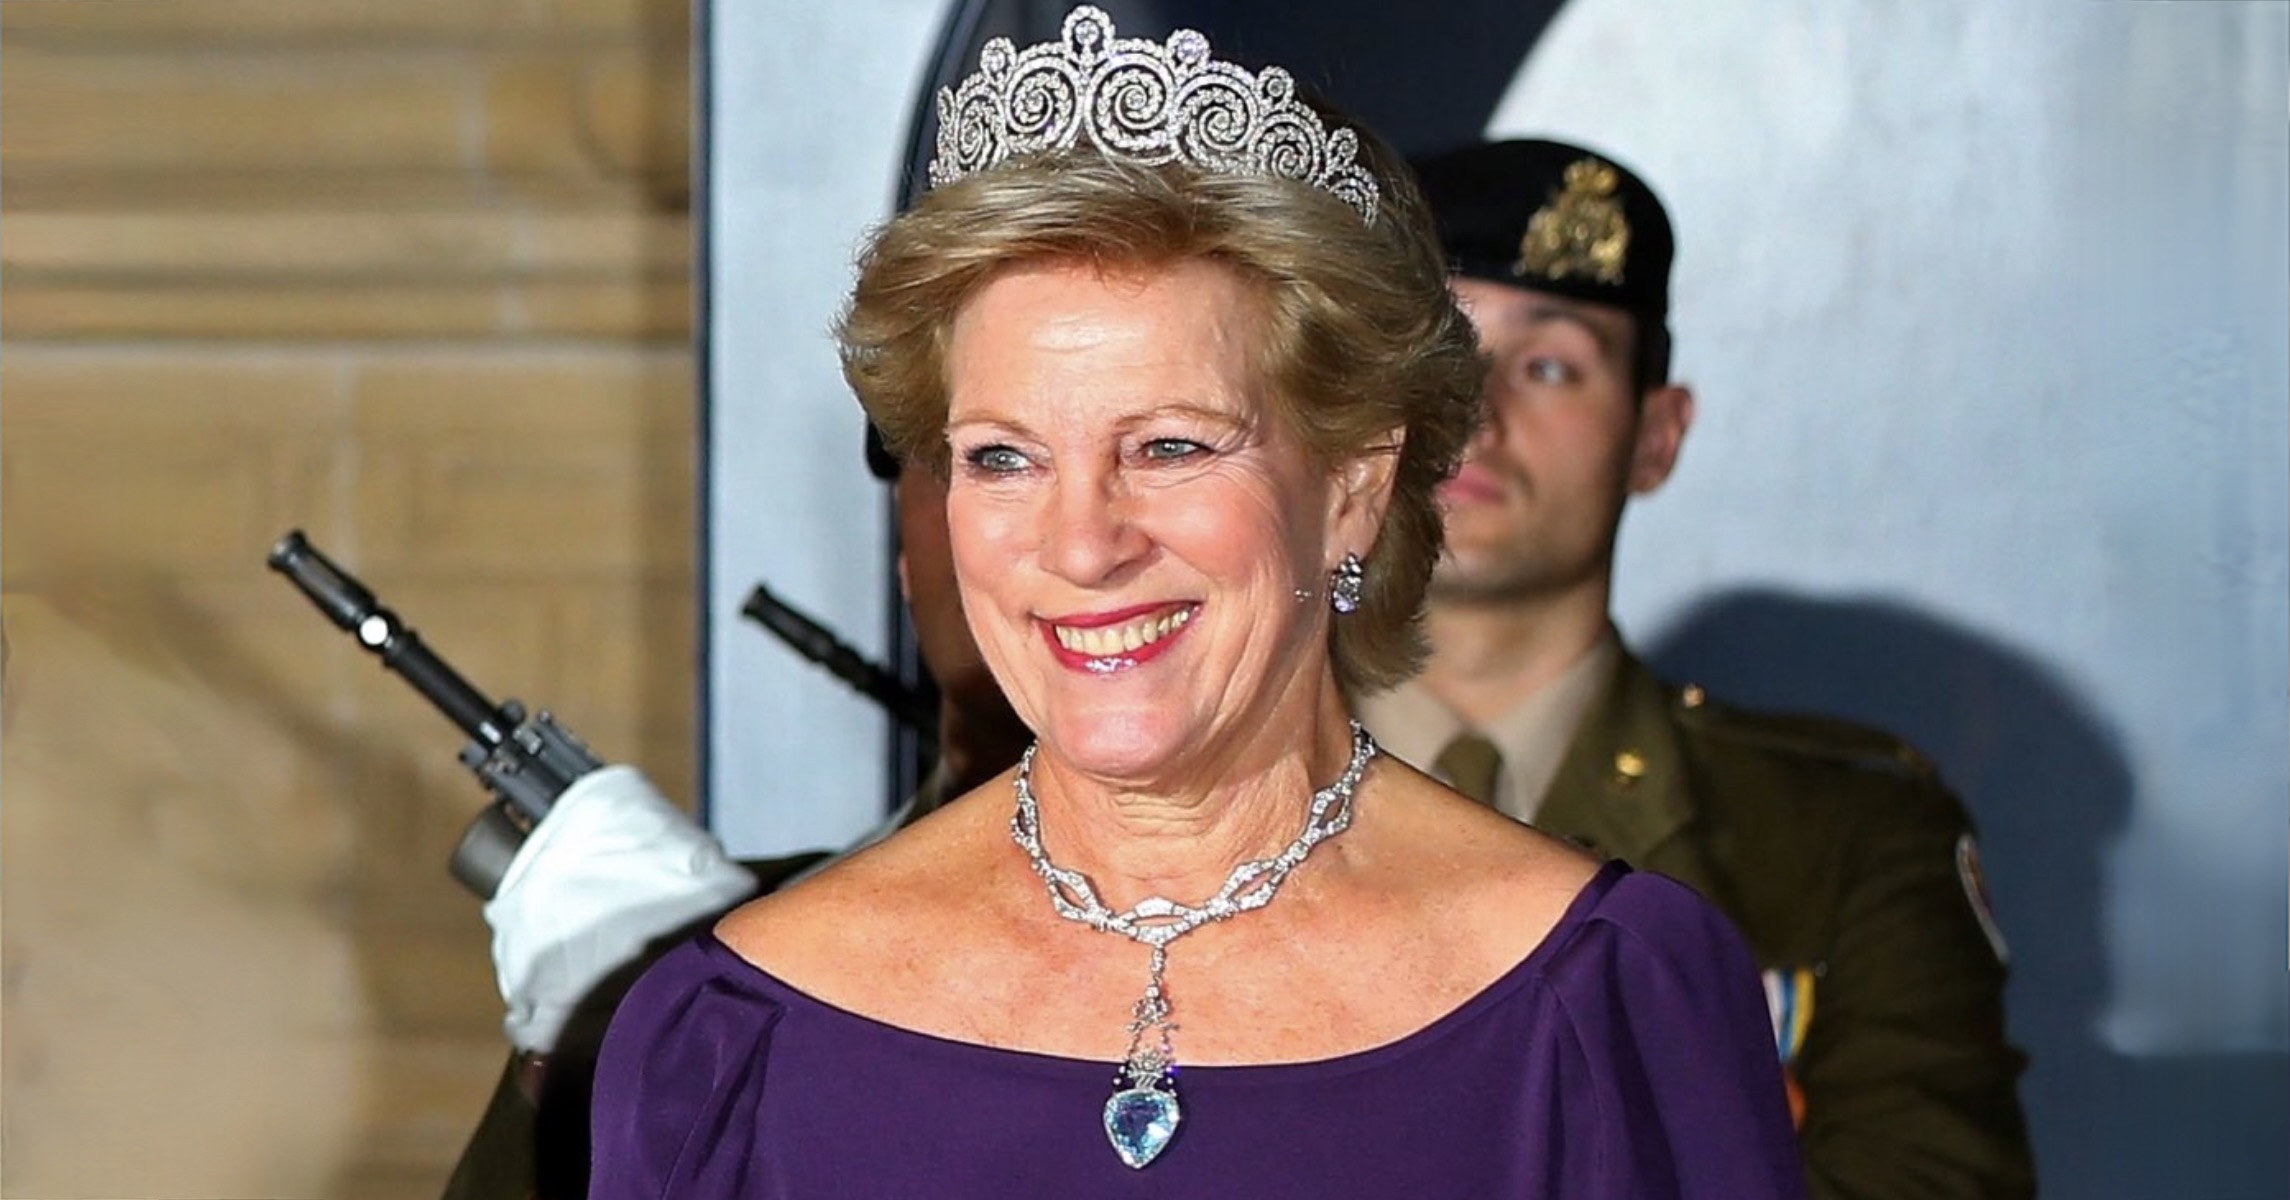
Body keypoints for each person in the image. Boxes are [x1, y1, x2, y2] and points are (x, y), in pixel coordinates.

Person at [588, 8, 1804, 1197]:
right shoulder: (736, 1036)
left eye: (1169, 446)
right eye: (1003, 457)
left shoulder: (1602, 1004)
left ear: (1352, 487)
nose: (1082, 545)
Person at [1358, 136, 2036, 1198]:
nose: (1478, 416)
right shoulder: (1168, 798)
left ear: (1656, 437)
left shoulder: (1844, 838)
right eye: (1439, 357)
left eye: (1550, 366)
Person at [438, 428, 1031, 1200]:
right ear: (904, 545)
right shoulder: (741, 938)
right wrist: (580, 1063)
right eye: (983, 459)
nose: (1046, 532)